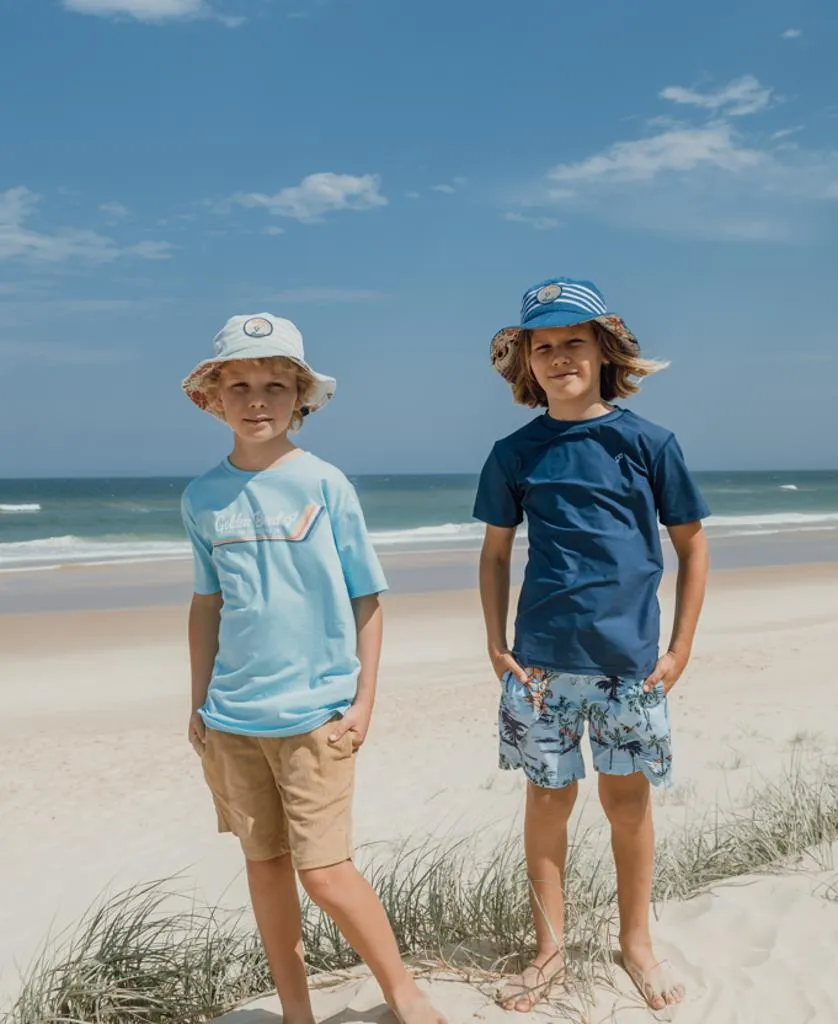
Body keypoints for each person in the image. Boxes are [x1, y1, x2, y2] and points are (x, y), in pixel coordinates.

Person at [180, 314, 445, 1024]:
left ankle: (405, 993)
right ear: (213, 398)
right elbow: (207, 605)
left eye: (274, 385)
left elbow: (368, 597)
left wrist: (364, 702)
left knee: (325, 873)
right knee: (264, 869)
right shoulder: (202, 497)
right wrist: (198, 701)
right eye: (238, 385)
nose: (256, 399)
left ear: (301, 397)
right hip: (233, 720)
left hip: (315, 717)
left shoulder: (324, 484)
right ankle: (296, 1013)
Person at [474, 278, 710, 1013]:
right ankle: (550, 949)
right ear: (526, 362)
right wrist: (494, 640)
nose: (558, 357)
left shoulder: (649, 444)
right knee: (548, 800)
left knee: (628, 805)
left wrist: (680, 650)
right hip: (540, 664)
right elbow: (494, 554)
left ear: (604, 350)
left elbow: (693, 548)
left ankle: (635, 941)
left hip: (629, 667)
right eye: (543, 347)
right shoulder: (515, 453)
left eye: (573, 341)